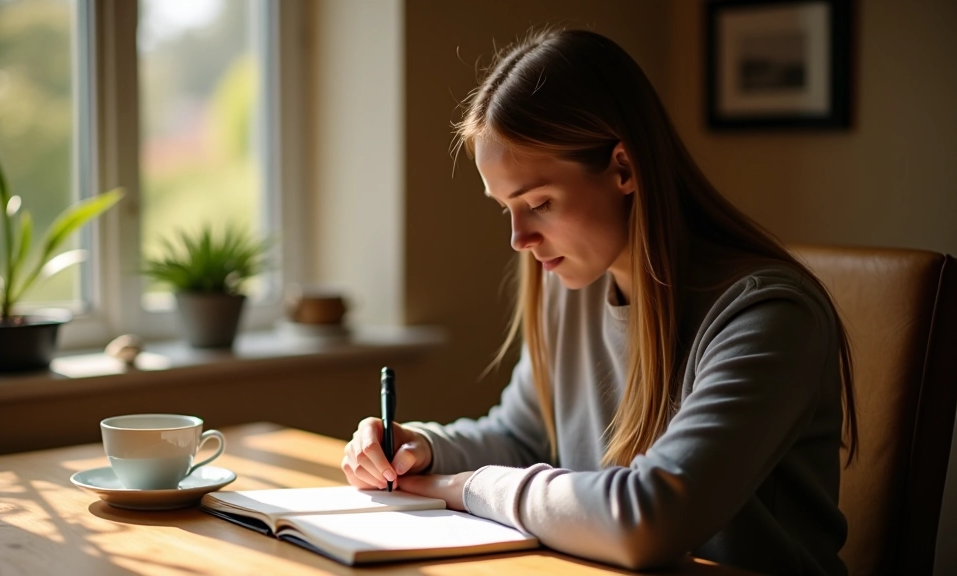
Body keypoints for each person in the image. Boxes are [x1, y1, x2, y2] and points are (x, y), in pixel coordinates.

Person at [340, 28, 857, 576]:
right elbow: (522, 437)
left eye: (539, 202)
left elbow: (649, 519)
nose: (518, 239)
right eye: (505, 209)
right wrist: (422, 446)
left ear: (623, 169)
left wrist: (462, 487)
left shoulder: (768, 319)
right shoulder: (573, 289)